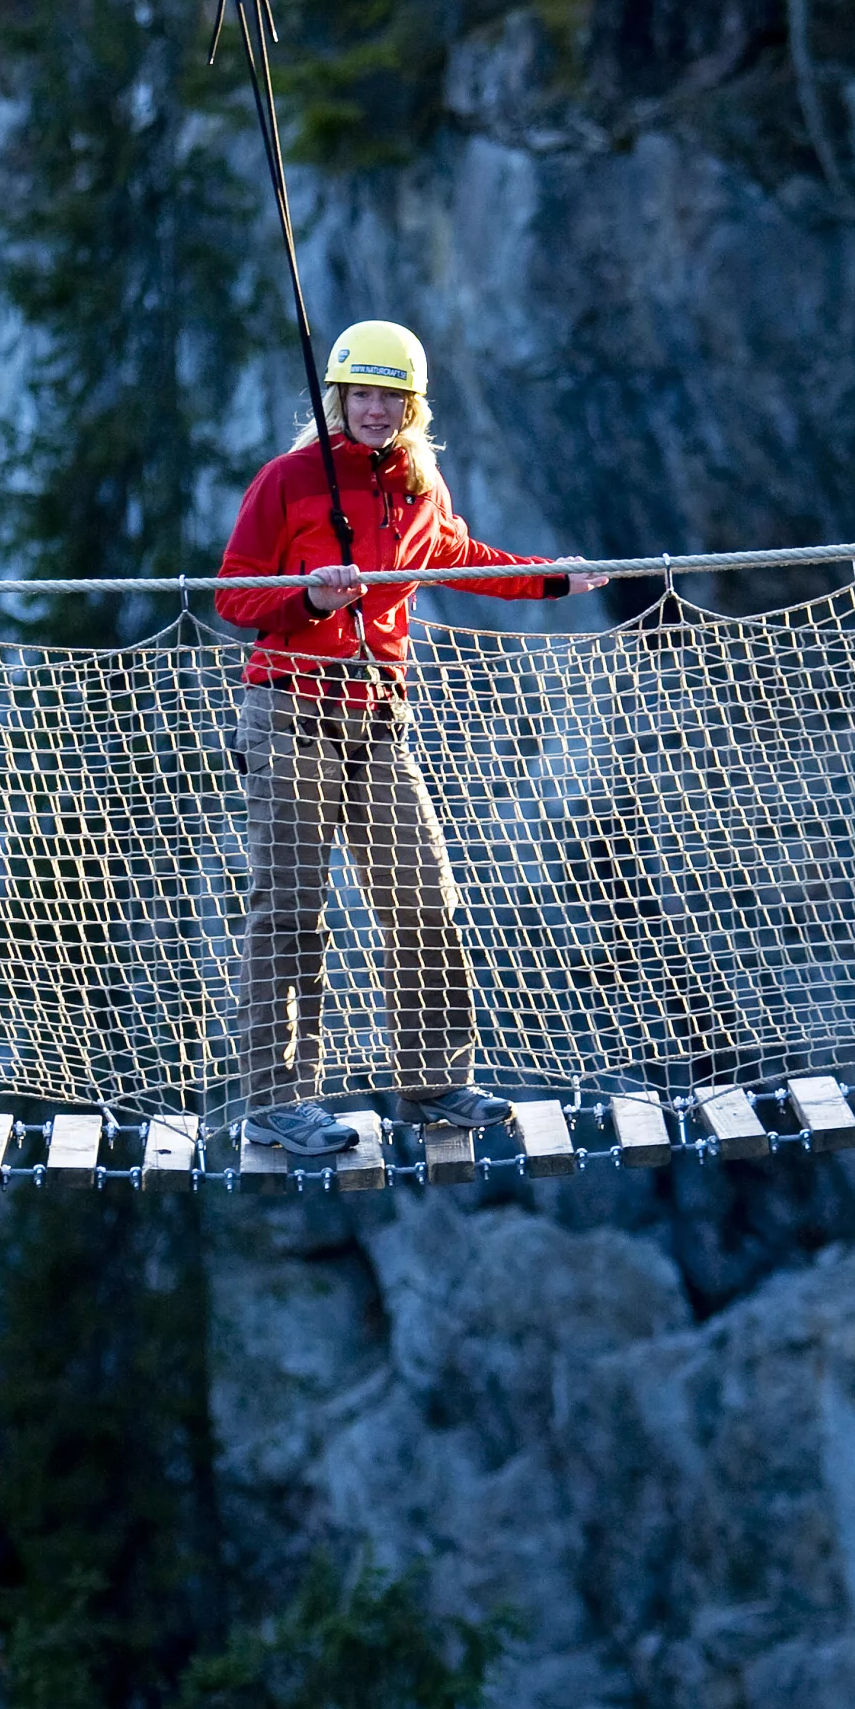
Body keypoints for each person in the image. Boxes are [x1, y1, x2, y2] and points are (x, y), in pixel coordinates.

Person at [216, 318, 605, 1158]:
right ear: (338, 399)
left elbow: (460, 555)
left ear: (412, 406)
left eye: (390, 397)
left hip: (378, 719)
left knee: (424, 897)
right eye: (361, 394)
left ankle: (434, 1081)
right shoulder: (288, 480)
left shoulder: (419, 488)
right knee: (291, 909)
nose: (374, 409)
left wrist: (551, 579)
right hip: (290, 712)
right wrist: (310, 598)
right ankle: (277, 1101)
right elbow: (234, 595)